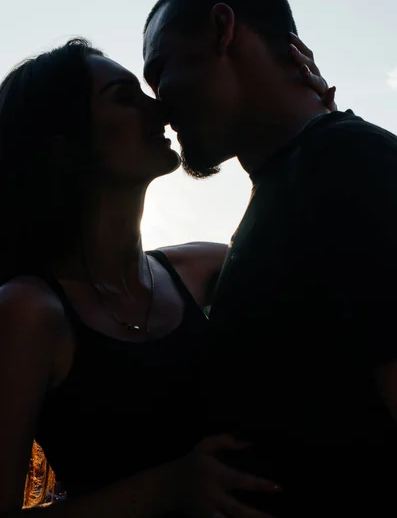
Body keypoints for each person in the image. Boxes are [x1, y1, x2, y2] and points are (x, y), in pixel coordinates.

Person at [0, 36, 330, 517]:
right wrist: (166, 489)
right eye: (124, 97)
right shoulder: (28, 312)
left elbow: (329, 246)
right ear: (64, 148)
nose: (160, 111)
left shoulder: (204, 270)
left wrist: (319, 125)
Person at [143, 0, 397, 516]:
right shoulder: (304, 182)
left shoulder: (348, 165)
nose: (158, 105)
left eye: (159, 71)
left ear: (222, 29)